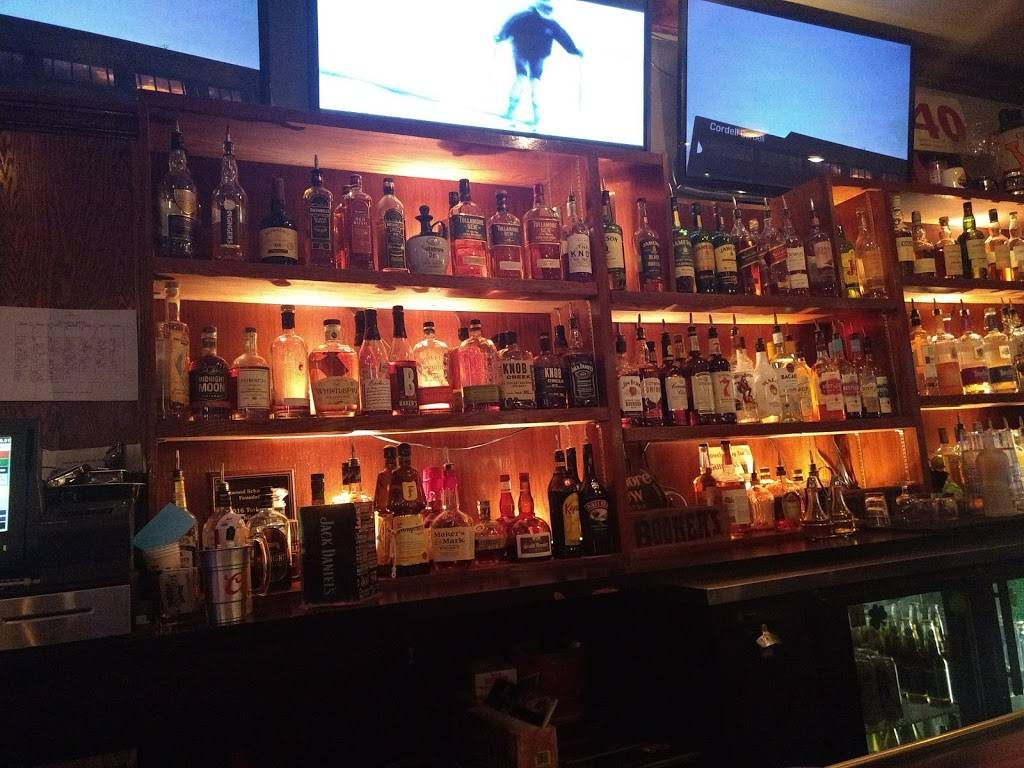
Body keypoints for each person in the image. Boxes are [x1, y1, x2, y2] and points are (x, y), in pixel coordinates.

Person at [495, 0, 583, 126]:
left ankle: (524, 115)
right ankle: (522, 114)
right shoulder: (531, 18)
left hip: (533, 54)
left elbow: (563, 37)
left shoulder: (545, 22)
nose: (547, 11)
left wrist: (574, 50)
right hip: (524, 51)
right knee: (526, 79)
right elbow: (510, 25)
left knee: (529, 80)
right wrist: (501, 36)